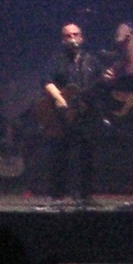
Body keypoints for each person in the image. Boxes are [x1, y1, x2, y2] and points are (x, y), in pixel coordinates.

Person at [40, 23, 103, 203]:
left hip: (85, 112)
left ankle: (85, 195)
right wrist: (59, 98)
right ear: (63, 40)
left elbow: (99, 84)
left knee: (87, 154)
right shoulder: (57, 60)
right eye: (68, 36)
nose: (72, 39)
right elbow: (46, 81)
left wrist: (105, 80)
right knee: (60, 154)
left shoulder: (91, 60)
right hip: (63, 114)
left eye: (75, 35)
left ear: (81, 38)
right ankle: (57, 195)